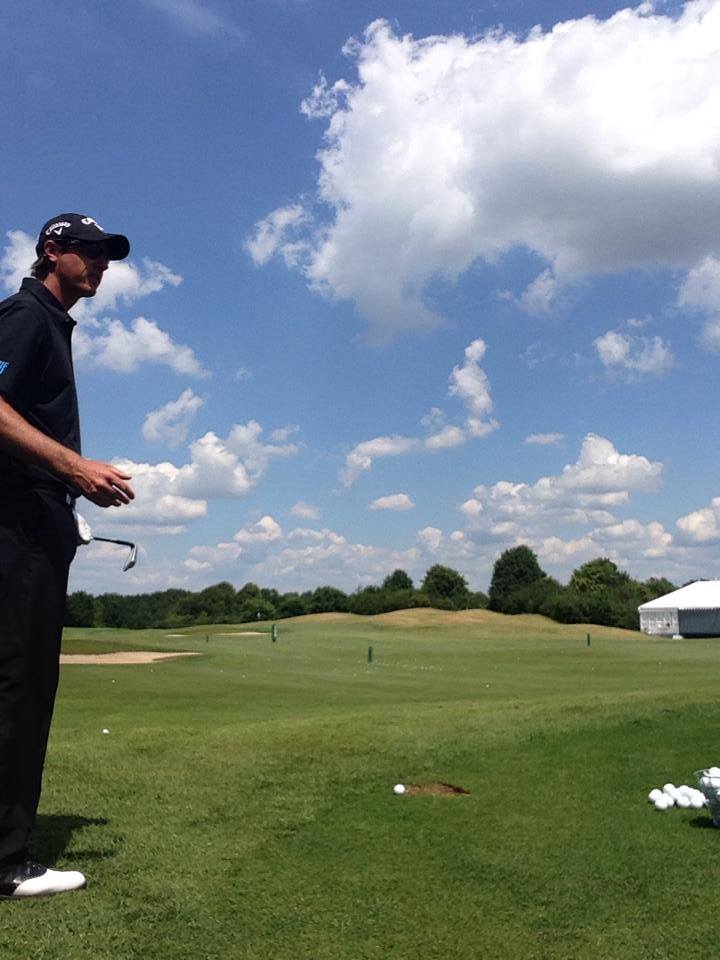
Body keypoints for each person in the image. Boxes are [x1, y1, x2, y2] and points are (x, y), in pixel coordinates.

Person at [0, 213, 135, 899]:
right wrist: (70, 467)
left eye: (106, 254)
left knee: (20, 681)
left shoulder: (52, 324)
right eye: (90, 251)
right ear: (53, 251)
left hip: (34, 521)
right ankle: (7, 861)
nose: (101, 262)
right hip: (16, 529)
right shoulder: (26, 315)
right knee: (20, 685)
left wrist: (66, 492)